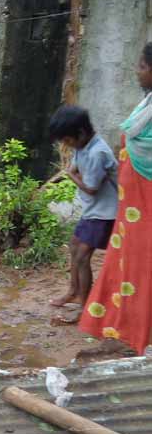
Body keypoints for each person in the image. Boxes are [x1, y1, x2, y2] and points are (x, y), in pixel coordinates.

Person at [80, 42, 152, 354]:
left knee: (143, 267)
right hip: (132, 212)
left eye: (142, 65)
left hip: (146, 212)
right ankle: (125, 327)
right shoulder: (147, 105)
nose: (137, 71)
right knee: (129, 267)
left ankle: (140, 333)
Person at [47, 106, 118, 308]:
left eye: (67, 140)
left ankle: (84, 304)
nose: (67, 145)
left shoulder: (98, 152)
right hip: (94, 210)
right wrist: (72, 171)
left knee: (82, 255)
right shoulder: (82, 146)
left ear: (81, 132)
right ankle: (72, 291)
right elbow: (76, 167)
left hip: (105, 213)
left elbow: (91, 188)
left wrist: (70, 174)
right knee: (74, 246)